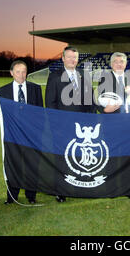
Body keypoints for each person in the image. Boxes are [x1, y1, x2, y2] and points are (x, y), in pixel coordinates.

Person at [45, 46, 95, 202]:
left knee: (79, 157)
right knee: (61, 158)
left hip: (82, 127)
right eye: (69, 57)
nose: (72, 60)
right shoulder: (54, 76)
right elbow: (50, 103)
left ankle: (78, 187)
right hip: (62, 127)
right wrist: (56, 124)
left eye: (75, 57)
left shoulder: (84, 76)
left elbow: (91, 102)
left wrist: (90, 121)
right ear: (63, 58)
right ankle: (60, 190)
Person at [0, 60, 43, 205]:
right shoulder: (2, 91)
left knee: (32, 164)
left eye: (24, 71)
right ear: (11, 73)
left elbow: (40, 112)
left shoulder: (35, 89)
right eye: (18, 71)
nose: (21, 75)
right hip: (12, 134)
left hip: (31, 134)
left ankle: (31, 195)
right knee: (13, 163)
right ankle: (12, 196)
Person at [97, 52, 130, 199]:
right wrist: (104, 110)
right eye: (116, 61)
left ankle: (129, 189)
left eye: (122, 61)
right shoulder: (104, 79)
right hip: (112, 124)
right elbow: (98, 100)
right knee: (112, 156)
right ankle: (111, 188)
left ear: (126, 64)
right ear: (111, 64)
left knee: (128, 156)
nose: (119, 64)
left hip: (129, 124)